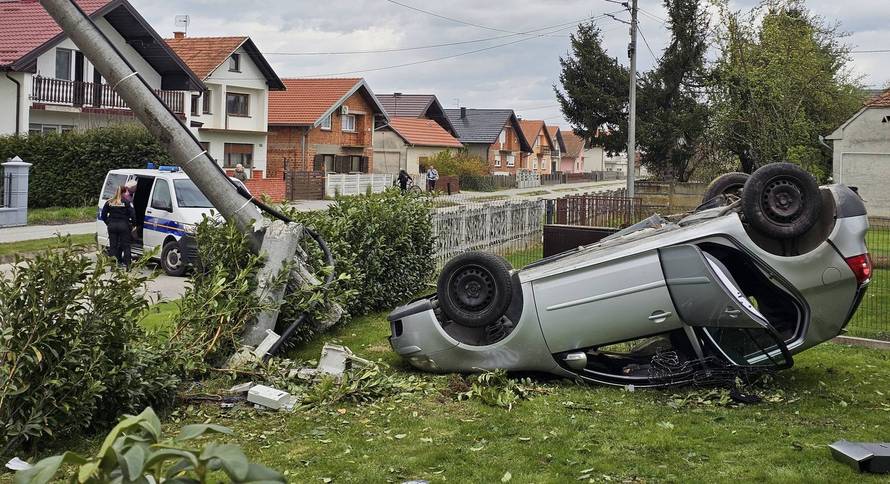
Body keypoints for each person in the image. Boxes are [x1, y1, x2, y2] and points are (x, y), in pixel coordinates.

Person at [101, 185, 135, 268]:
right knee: (126, 246)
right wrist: (133, 225)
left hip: (112, 226)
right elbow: (133, 215)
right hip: (124, 226)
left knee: (113, 246)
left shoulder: (109, 202)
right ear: (124, 192)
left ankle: (113, 266)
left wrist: (108, 223)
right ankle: (128, 266)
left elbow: (103, 215)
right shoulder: (126, 202)